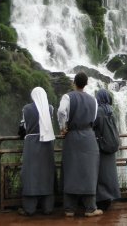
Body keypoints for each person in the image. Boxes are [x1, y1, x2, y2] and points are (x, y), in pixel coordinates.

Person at [57, 72, 102, 217]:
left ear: (74, 83)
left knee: (71, 170)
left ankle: (69, 209)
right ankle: (90, 208)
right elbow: (94, 119)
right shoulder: (93, 100)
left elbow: (61, 111)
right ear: (86, 84)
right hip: (89, 137)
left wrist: (63, 128)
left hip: (73, 136)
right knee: (89, 172)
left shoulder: (68, 97)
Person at [18, 87, 55, 216]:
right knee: (46, 173)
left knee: (30, 174)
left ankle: (30, 208)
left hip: (31, 144)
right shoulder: (50, 108)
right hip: (47, 144)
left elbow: (22, 129)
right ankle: (48, 207)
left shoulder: (26, 109)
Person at [94, 88, 121, 210]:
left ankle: (102, 200)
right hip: (111, 146)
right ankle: (111, 196)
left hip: (102, 147)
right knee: (110, 173)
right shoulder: (110, 110)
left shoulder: (99, 111)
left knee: (101, 174)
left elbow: (93, 125)